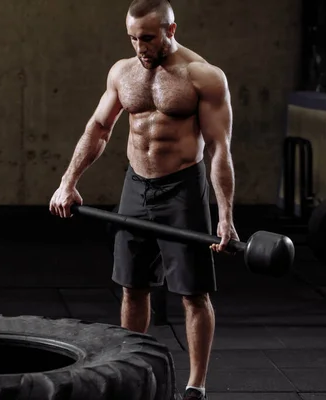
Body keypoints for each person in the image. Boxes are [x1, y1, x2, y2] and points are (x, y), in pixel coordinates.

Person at [49, 0, 239, 399]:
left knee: (193, 292)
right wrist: (68, 182)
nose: (140, 47)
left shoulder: (203, 77)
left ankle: (195, 387)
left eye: (148, 38)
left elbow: (220, 149)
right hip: (136, 186)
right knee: (133, 286)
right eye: (133, 38)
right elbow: (99, 128)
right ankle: (130, 370)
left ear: (171, 30)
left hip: (183, 190)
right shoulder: (123, 72)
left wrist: (225, 217)